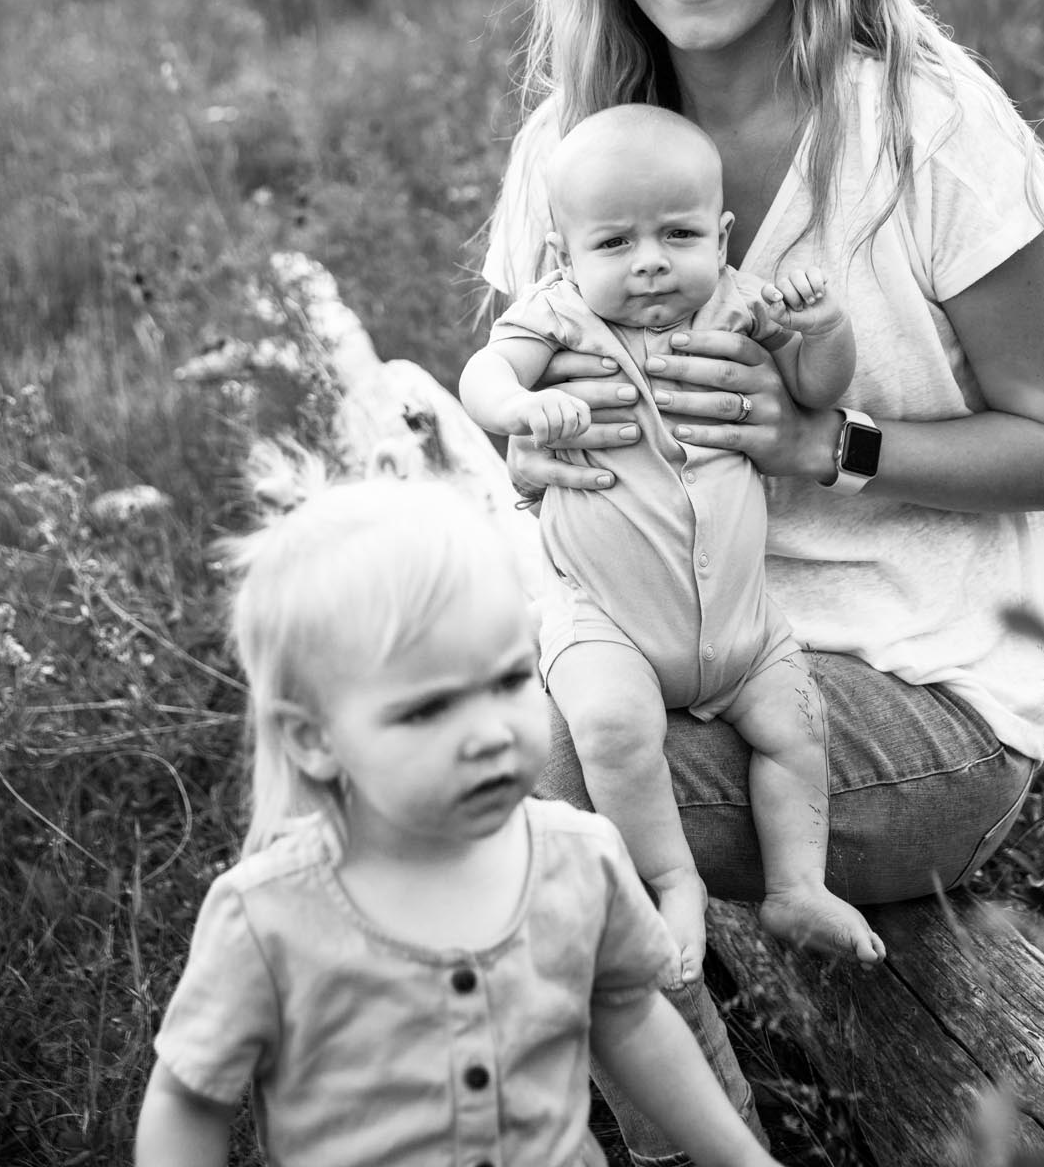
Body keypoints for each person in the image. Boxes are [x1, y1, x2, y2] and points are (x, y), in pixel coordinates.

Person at [479, 0, 1044, 1165]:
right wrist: (529, 445)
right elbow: (517, 389)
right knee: (432, 738)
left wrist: (829, 447)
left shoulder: (925, 130)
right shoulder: (570, 149)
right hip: (651, 637)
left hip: (916, 695)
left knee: (527, 783)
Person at [134, 459, 773, 1167]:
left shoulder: (579, 857)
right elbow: (188, 1100)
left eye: (507, 680)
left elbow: (629, 1019)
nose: (492, 732)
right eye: (429, 707)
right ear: (314, 741)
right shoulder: (267, 918)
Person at [460, 103, 884, 984]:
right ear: (562, 257)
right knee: (612, 730)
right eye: (613, 244)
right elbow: (485, 371)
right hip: (608, 619)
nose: (650, 260)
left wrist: (823, 334)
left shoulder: (736, 302)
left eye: (678, 233)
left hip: (742, 631)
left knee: (798, 730)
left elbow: (814, 391)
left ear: (722, 234)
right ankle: (669, 877)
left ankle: (796, 884)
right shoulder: (560, 317)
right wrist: (517, 410)